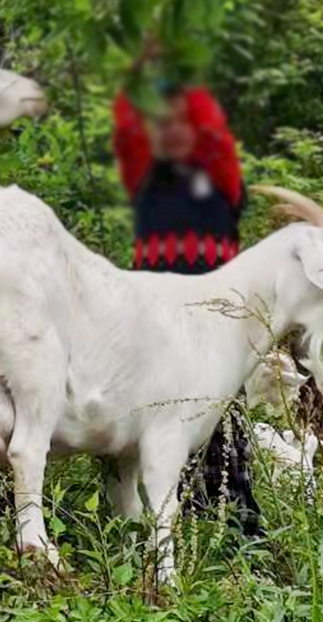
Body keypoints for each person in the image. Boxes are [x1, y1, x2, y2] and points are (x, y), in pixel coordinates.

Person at [112, 36, 261, 537]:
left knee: (217, 414)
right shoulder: (150, 171)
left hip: (210, 310)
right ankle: (163, 512)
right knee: (165, 410)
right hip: (162, 313)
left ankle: (232, 519)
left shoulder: (215, 164)